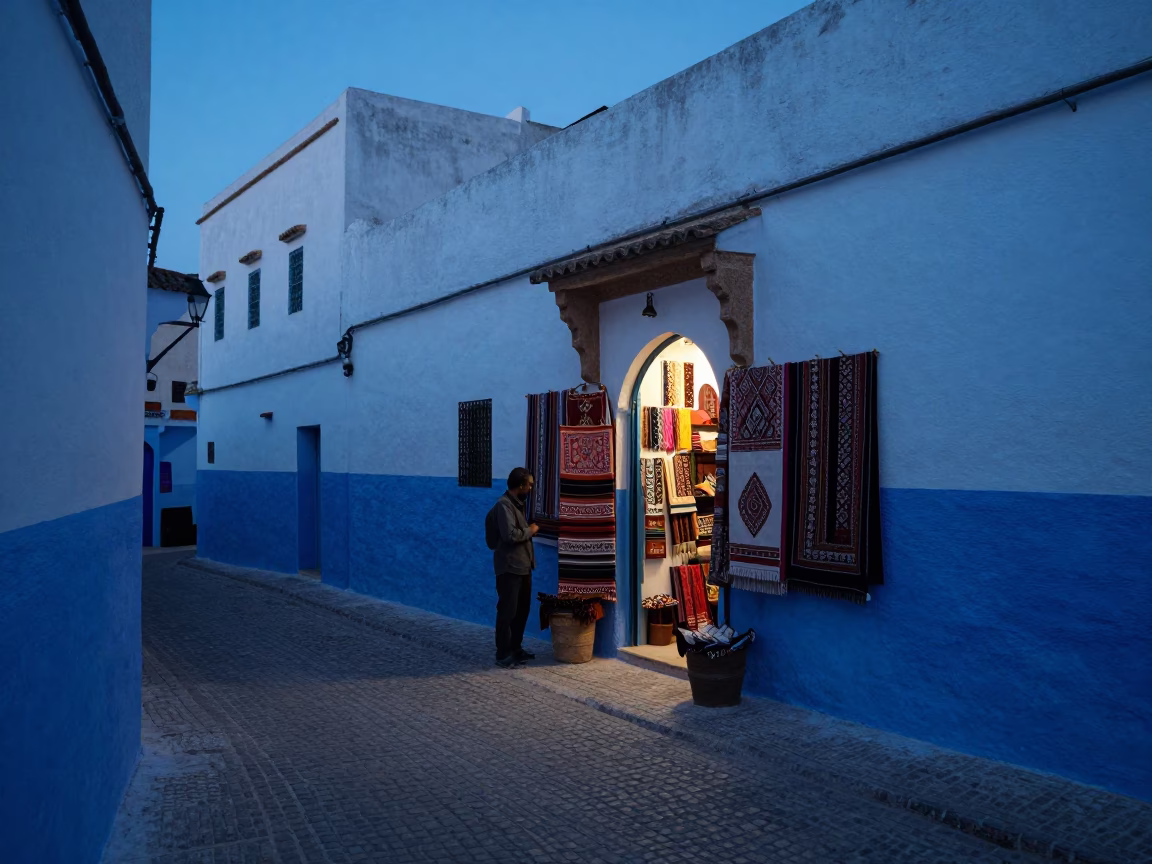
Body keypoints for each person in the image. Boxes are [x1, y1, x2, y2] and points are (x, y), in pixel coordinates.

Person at [492, 467, 539, 668]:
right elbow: (510, 535)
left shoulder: (517, 505)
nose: (530, 488)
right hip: (509, 568)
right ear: (520, 485)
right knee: (507, 611)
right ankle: (503, 654)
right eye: (529, 485)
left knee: (522, 611)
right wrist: (531, 530)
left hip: (523, 567)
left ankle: (515, 648)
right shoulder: (504, 506)